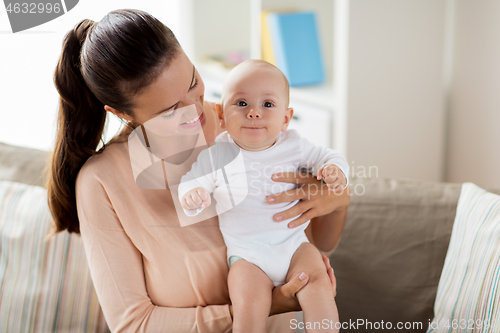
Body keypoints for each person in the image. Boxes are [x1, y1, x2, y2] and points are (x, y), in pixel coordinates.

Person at [46, 8, 350, 333]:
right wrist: (259, 307)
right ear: (122, 113)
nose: (196, 110)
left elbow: (318, 244)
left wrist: (337, 200)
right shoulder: (102, 183)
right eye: (170, 110)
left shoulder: (249, 121)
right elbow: (133, 323)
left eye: (193, 82)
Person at [178, 59, 348, 333]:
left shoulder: (294, 145)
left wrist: (334, 170)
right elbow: (191, 182)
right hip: (247, 257)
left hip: (294, 246)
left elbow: (328, 156)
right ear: (221, 114)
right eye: (242, 104)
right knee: (248, 305)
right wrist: (193, 194)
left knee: (319, 285)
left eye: (267, 104)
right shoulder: (217, 154)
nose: (254, 113)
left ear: (285, 118)